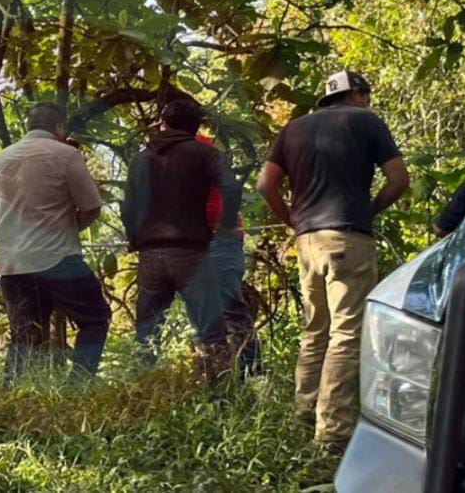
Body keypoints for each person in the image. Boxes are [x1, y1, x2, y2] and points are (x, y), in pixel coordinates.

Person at [256, 70, 409, 452]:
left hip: (308, 241)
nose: (368, 101)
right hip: (347, 237)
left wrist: (293, 221)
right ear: (356, 94)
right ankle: (332, 433)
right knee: (347, 333)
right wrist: (370, 210)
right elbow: (398, 179)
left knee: (316, 330)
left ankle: (304, 414)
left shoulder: (293, 128)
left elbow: (265, 184)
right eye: (366, 93)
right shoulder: (365, 121)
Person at [0, 102, 111, 384]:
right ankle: (77, 387)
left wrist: (16, 234)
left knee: (24, 336)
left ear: (30, 126)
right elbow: (91, 207)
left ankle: (12, 395)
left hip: (14, 264)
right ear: (59, 128)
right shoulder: (66, 155)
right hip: (58, 259)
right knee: (95, 319)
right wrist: (64, 230)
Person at [121, 99, 240, 383]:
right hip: (191, 253)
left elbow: (128, 207)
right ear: (196, 127)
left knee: (147, 336)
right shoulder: (204, 154)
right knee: (212, 333)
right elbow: (232, 187)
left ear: (163, 124)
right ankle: (220, 396)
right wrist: (224, 227)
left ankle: (140, 395)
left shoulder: (141, 159)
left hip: (150, 254)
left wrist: (135, 238)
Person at [197, 133, 263, 376]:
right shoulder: (172, 154)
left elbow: (230, 190)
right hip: (199, 242)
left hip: (219, 239)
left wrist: (223, 227)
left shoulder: (200, 149)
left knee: (229, 307)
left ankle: (253, 372)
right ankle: (217, 378)